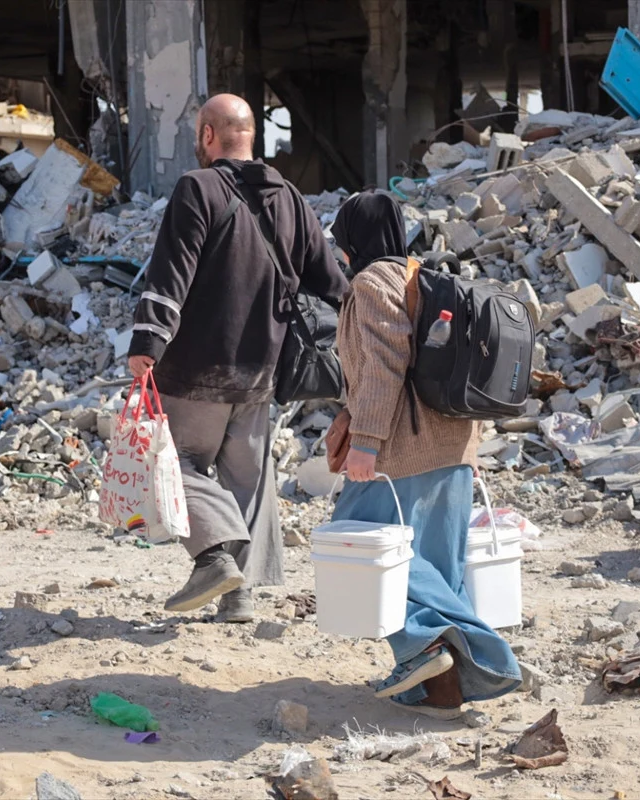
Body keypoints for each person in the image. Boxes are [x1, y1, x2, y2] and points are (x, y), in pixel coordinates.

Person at [127, 93, 349, 623]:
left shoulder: (196, 188)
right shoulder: (291, 197)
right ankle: (240, 596)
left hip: (197, 371)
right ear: (252, 137)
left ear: (208, 135)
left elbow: (171, 272)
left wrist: (147, 342)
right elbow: (332, 283)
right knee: (247, 480)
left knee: (170, 463)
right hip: (261, 373)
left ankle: (212, 558)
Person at [331, 191, 521, 719]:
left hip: (401, 448)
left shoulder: (372, 284)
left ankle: (475, 653)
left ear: (352, 241)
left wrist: (365, 442)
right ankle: (443, 691)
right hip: (454, 445)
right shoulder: (427, 276)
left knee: (370, 547)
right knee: (436, 564)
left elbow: (384, 365)